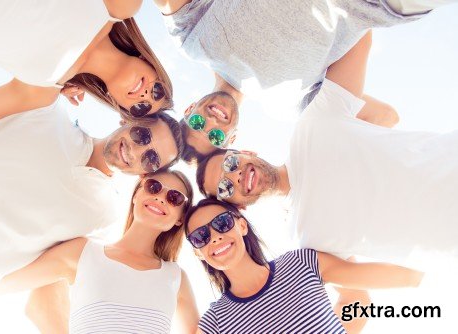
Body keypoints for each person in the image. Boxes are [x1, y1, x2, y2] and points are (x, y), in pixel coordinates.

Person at [195, 32, 458, 263]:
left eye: (229, 164)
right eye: (225, 187)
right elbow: (354, 296)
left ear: (245, 152)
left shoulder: (312, 126)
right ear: (239, 207)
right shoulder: (306, 239)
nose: (234, 175)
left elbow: (357, 36)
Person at [0, 72, 184, 318]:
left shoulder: (103, 217)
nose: (137, 151)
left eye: (151, 159)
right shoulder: (45, 109)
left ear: (146, 175)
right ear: (126, 120)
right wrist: (59, 76)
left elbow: (49, 275)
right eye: (143, 135)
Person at [152, 0, 456, 161]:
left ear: (190, 109)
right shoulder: (289, 108)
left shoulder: (192, 41)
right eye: (216, 138)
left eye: (197, 125)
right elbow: (384, 117)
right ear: (232, 139)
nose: (211, 123)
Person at [0, 170, 199, 333]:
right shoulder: (83, 251)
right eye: (153, 187)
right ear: (136, 194)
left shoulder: (176, 277)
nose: (161, 198)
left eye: (175, 198)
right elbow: (0, 283)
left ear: (180, 218)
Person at [184, 199, 423, 334]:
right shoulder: (215, 321)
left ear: (242, 226)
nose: (214, 237)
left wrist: (421, 278)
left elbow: (365, 287)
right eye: (200, 236)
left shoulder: (300, 262)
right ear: (199, 253)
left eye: (222, 223)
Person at [0, 0, 173, 133]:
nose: (146, 95)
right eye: (157, 90)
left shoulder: (41, 92)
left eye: (141, 107)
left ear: (116, 103)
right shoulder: (122, 5)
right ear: (152, 64)